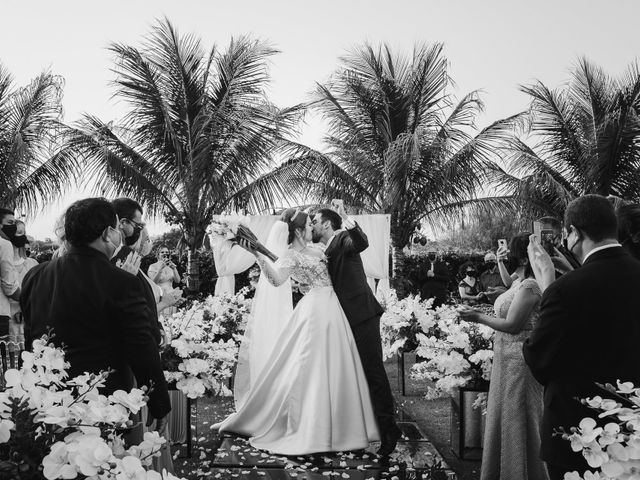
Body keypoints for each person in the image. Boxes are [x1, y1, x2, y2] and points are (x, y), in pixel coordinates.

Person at [215, 208, 379, 455]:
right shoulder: (290, 255)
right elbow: (278, 280)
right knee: (311, 367)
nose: (314, 226)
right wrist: (259, 256)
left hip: (334, 308)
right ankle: (311, 426)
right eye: (310, 225)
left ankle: (343, 424)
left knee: (338, 366)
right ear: (301, 230)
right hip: (315, 311)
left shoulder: (322, 249)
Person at [20, 197, 171, 434]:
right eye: (116, 230)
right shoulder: (121, 281)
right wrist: (159, 402)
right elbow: (142, 346)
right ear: (107, 233)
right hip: (102, 405)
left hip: (49, 402)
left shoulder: (35, 276)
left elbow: (30, 340)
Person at [523, 194, 640, 479]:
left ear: (574, 233)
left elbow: (540, 360)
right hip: (634, 428)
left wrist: (548, 286)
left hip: (579, 431)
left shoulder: (564, 290)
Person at [312, 204, 402, 456]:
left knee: (373, 372)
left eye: (316, 221)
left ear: (328, 224)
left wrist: (349, 219)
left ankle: (389, 429)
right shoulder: (323, 248)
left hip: (361, 315)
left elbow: (360, 244)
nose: (313, 225)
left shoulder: (342, 239)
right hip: (340, 318)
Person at [459, 234, 549, 480]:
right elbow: (510, 285)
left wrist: (477, 316)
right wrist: (500, 271)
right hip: (505, 357)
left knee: (519, 415)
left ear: (521, 255)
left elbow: (512, 325)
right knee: (504, 414)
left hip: (519, 359)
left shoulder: (531, 285)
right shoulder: (521, 281)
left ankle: (521, 471)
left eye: (509, 252)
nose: (506, 254)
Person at [8, 220, 38, 347]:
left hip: (28, 323)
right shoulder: (4, 265)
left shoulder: (32, 264)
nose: (22, 236)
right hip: (7, 325)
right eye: (19, 232)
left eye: (23, 232)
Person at [0, 208, 20, 339]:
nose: (13, 226)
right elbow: (8, 285)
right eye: (10, 222)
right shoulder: (4, 244)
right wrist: (26, 298)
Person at [148, 245, 181, 315]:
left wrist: (174, 269)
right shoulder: (152, 266)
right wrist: (160, 269)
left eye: (166, 252)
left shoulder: (170, 265)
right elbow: (153, 282)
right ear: (158, 254)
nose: (165, 253)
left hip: (171, 295)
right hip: (159, 297)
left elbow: (177, 281)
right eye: (162, 252)